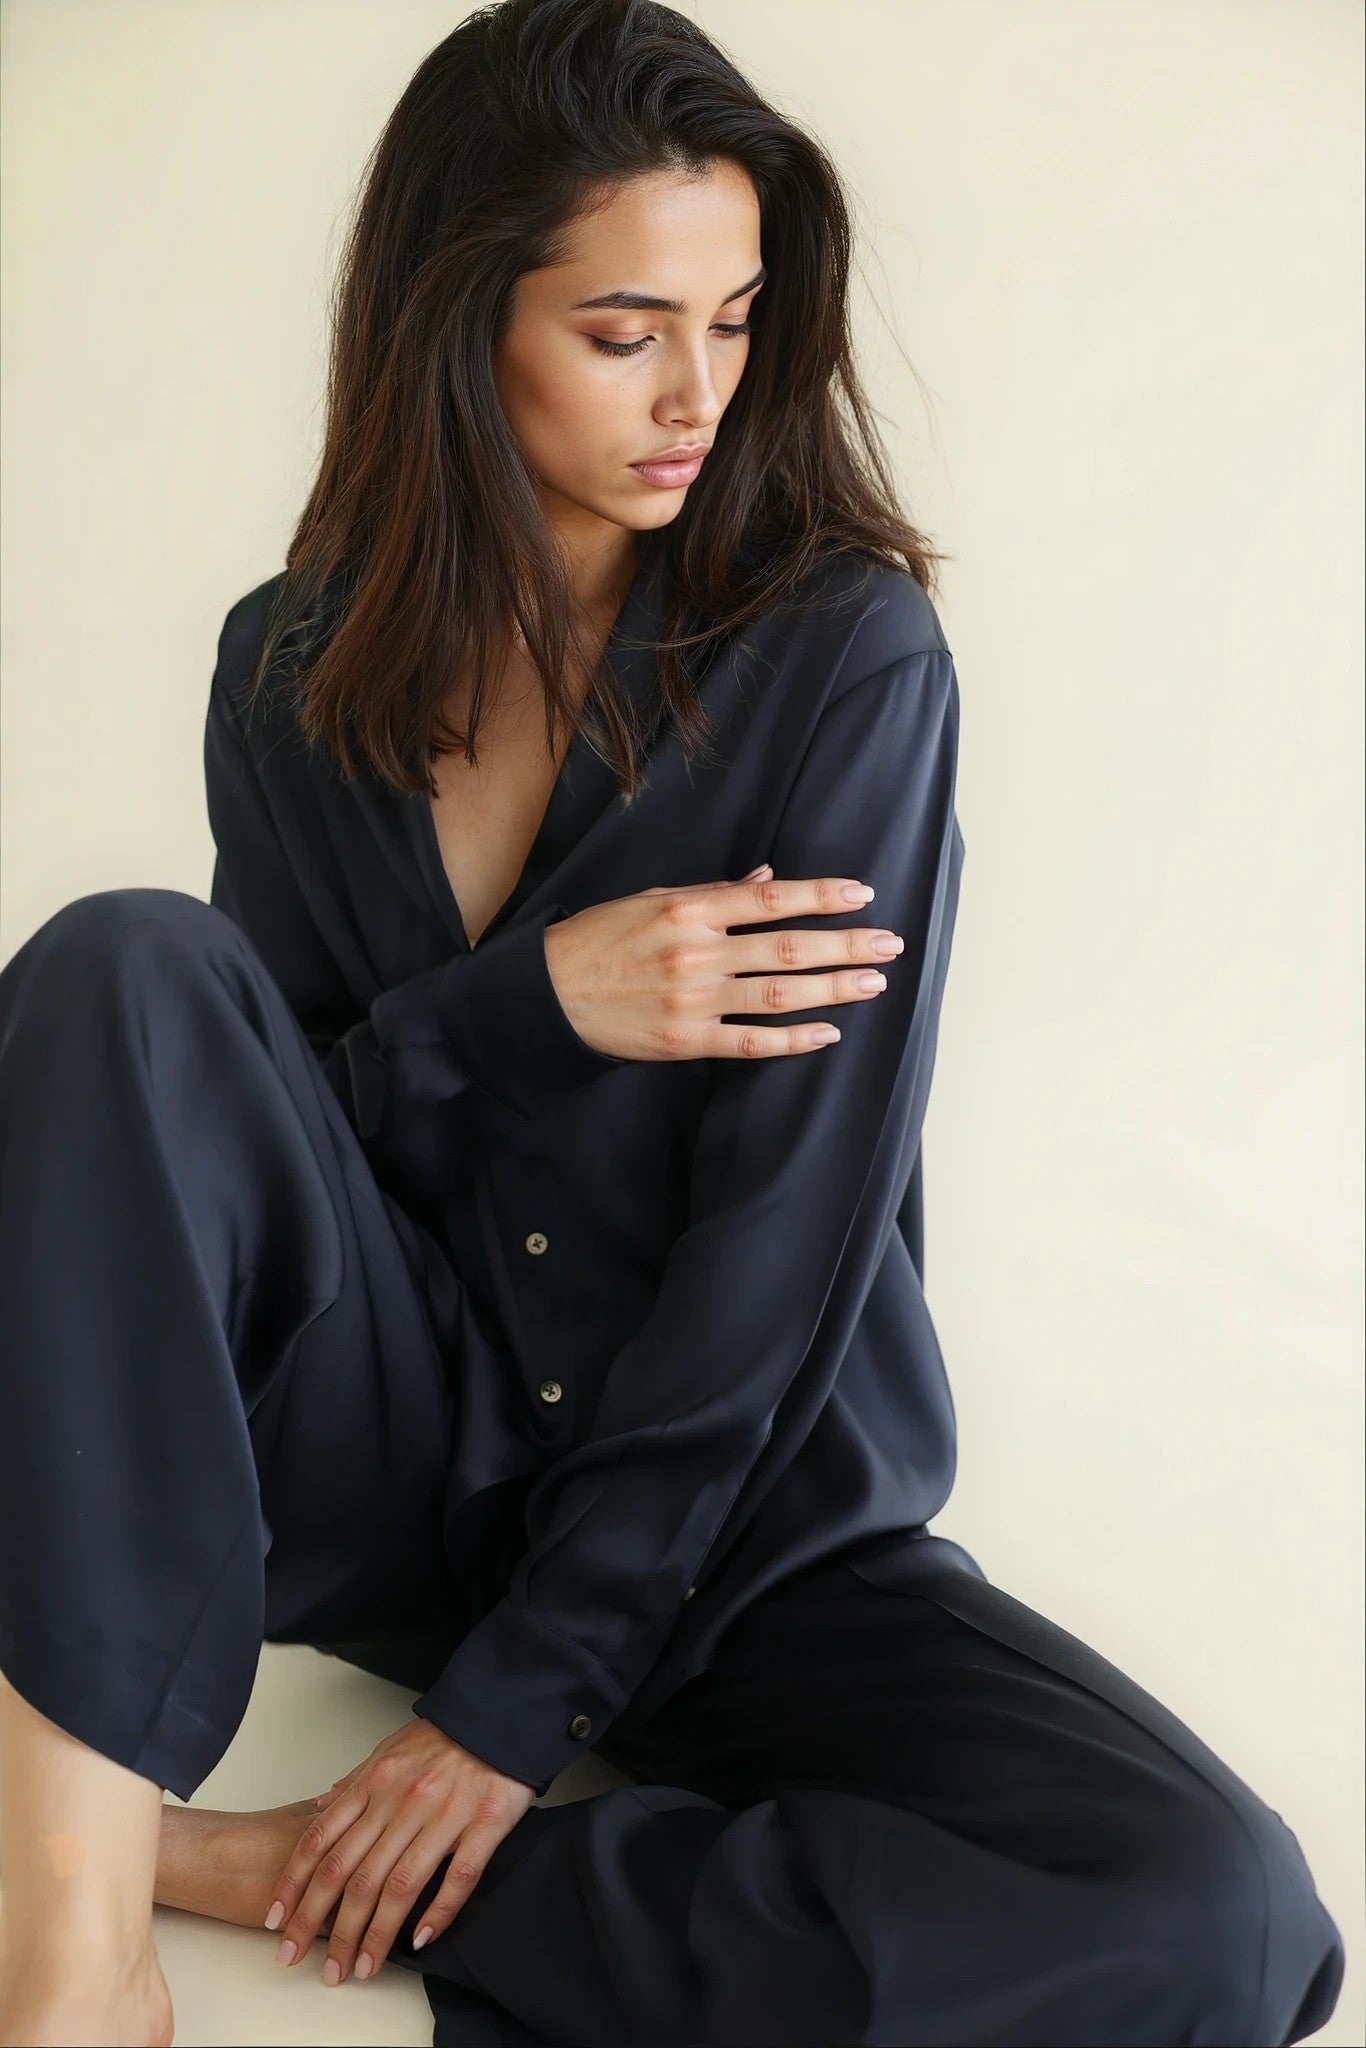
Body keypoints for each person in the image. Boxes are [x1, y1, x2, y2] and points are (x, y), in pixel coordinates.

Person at [0, 2, 1346, 2044]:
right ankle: (70, 1938)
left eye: (733, 318)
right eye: (625, 330)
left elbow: (781, 1251)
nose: (698, 391)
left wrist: (506, 1715)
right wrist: (526, 1007)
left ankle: (285, 1870)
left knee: (1218, 1918)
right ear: (460, 326)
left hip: (734, 1536)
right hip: (397, 1482)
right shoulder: (285, 675)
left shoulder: (840, 664)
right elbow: (275, 1136)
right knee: (118, 968)